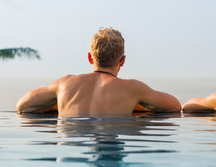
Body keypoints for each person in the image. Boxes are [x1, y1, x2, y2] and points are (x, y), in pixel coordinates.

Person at [17, 28, 181, 117]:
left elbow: (23, 106)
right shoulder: (133, 89)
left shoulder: (64, 84)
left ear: (90, 57)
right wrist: (136, 106)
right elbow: (175, 106)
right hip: (111, 139)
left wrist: (59, 104)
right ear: (122, 61)